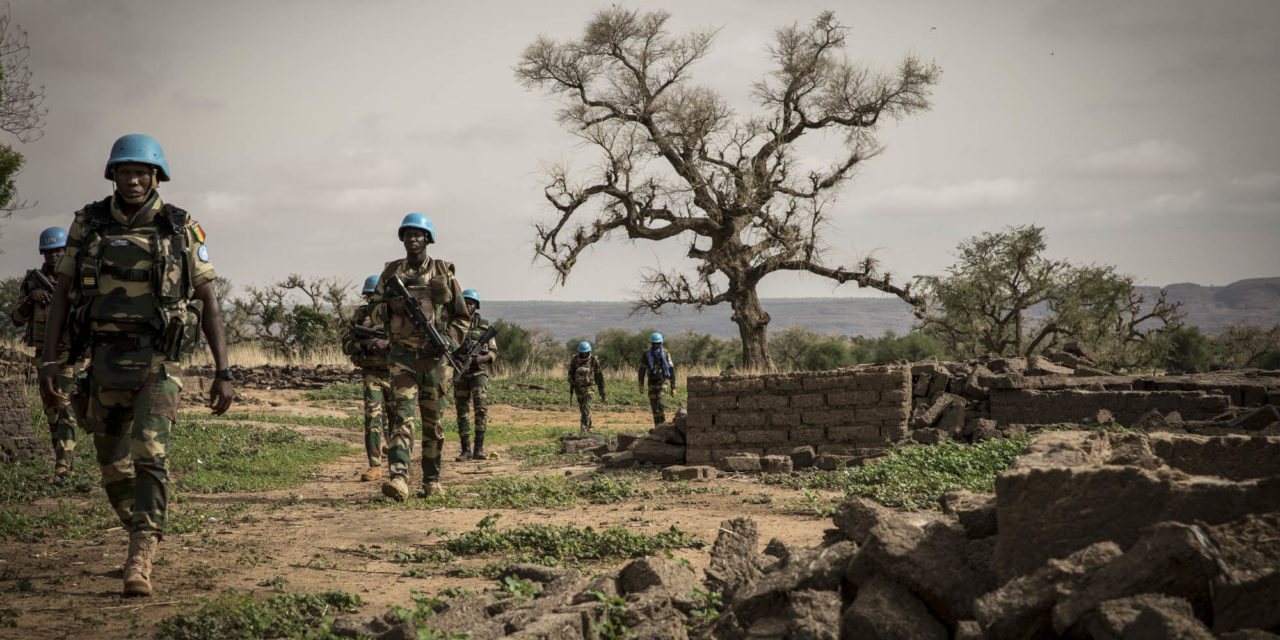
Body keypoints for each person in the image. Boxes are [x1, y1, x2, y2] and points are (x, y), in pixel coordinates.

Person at [38, 134, 235, 598]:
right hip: (104, 359)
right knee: (112, 465)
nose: (133, 180)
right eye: (125, 171)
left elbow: (208, 301)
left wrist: (224, 372)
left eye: (142, 172)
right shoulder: (89, 224)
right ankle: (140, 528)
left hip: (158, 362)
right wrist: (50, 360)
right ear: (114, 175)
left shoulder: (180, 226)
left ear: (156, 177)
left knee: (150, 454)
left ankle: (141, 554)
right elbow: (62, 293)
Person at [371, 213, 468, 501]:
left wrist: (447, 341)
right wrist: (390, 307)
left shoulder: (442, 272)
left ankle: (432, 481)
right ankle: (399, 479)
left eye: (418, 234)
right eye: (408, 234)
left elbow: (462, 317)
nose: (413, 239)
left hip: (434, 361)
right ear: (402, 239)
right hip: (402, 357)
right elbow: (372, 312)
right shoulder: (391, 273)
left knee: (433, 424)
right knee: (402, 418)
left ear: (427, 238)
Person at [11, 227, 81, 476]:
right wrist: (30, 299)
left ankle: (64, 464)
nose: (53, 256)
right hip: (44, 355)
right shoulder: (33, 281)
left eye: (58, 251)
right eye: (49, 252)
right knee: (52, 409)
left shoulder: (77, 278)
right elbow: (16, 319)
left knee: (64, 405)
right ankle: (64, 462)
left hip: (72, 354)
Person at [341, 275, 393, 481]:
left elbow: (410, 342)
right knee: (372, 418)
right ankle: (375, 465)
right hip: (372, 373)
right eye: (371, 296)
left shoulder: (396, 315)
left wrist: (387, 344)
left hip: (396, 374)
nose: (374, 299)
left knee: (398, 421)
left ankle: (399, 465)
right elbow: (346, 345)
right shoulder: (360, 316)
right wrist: (363, 344)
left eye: (377, 295)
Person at [453, 289, 498, 461]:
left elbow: (494, 351)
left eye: (471, 303)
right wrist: (455, 362)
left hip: (479, 373)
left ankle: (479, 448)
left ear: (476, 306)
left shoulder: (485, 326)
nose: (468, 305)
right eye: (465, 302)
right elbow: (448, 349)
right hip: (461, 373)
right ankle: (465, 450)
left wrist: (482, 359)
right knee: (462, 411)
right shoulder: (455, 325)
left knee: (481, 409)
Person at [637, 332, 676, 426]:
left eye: (657, 343)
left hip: (662, 382)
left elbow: (671, 370)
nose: (655, 345)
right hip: (651, 383)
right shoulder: (646, 355)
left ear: (660, 343)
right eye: (653, 343)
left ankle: (662, 425)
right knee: (654, 407)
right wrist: (641, 384)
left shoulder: (666, 354)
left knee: (660, 404)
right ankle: (657, 427)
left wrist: (673, 386)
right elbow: (642, 370)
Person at [567, 341, 605, 433]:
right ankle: (589, 427)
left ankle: (583, 429)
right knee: (583, 409)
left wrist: (602, 390)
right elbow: (571, 372)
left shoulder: (594, 361)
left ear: (589, 352)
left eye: (585, 353)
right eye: (582, 353)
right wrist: (570, 379)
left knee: (586, 409)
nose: (584, 355)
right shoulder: (575, 360)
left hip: (589, 388)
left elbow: (599, 376)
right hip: (578, 388)